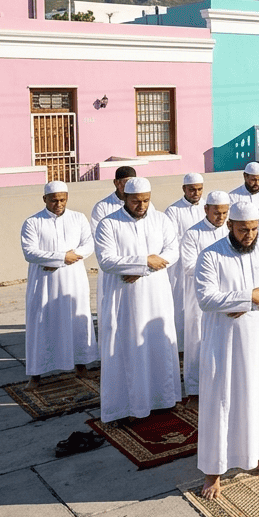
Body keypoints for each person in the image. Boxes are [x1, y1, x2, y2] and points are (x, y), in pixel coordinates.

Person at [194, 201, 259, 500]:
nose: (249, 235)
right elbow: (206, 298)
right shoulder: (211, 255)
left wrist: (249, 302)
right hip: (226, 343)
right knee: (223, 400)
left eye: (253, 229)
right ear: (229, 227)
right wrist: (247, 298)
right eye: (242, 230)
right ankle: (214, 471)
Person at [93, 177, 181, 422]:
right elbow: (106, 260)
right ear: (125, 199)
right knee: (127, 347)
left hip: (156, 296)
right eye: (136, 201)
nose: (141, 205)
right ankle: (130, 405)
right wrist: (144, 262)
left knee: (157, 346)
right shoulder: (108, 224)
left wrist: (141, 269)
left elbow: (172, 252)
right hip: (125, 299)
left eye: (146, 200)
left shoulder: (161, 220)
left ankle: (163, 398)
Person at [20, 181, 97, 386]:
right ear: (44, 199)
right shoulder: (32, 222)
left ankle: (81, 367)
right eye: (54, 200)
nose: (58, 204)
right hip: (44, 283)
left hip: (73, 279)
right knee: (41, 323)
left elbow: (88, 244)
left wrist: (64, 259)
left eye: (62, 199)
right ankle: (35, 374)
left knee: (77, 321)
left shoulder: (78, 218)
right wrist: (61, 258)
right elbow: (30, 252)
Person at [179, 191, 230, 396]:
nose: (221, 217)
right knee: (197, 340)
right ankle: (195, 388)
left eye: (225, 213)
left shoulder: (230, 231)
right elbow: (189, 265)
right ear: (206, 210)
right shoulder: (193, 234)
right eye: (217, 213)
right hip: (199, 297)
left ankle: (222, 384)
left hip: (226, 295)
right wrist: (219, 270)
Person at [164, 172, 208, 339]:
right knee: (180, 306)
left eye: (199, 189)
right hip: (181, 268)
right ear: (184, 189)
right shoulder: (173, 210)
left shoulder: (207, 207)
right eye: (192, 190)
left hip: (204, 265)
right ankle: (181, 346)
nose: (196, 193)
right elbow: (171, 239)